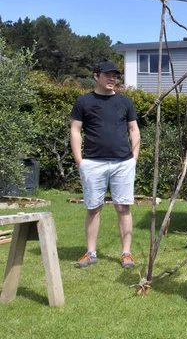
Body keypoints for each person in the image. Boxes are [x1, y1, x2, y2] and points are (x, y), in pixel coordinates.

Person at [70, 60, 140, 268]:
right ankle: (90, 253)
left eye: (115, 76)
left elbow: (134, 129)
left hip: (123, 163)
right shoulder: (83, 101)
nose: (112, 79)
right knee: (93, 208)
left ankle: (126, 253)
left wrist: (133, 158)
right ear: (96, 76)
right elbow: (75, 130)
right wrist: (79, 161)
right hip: (92, 163)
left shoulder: (125, 102)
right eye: (107, 75)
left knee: (123, 207)